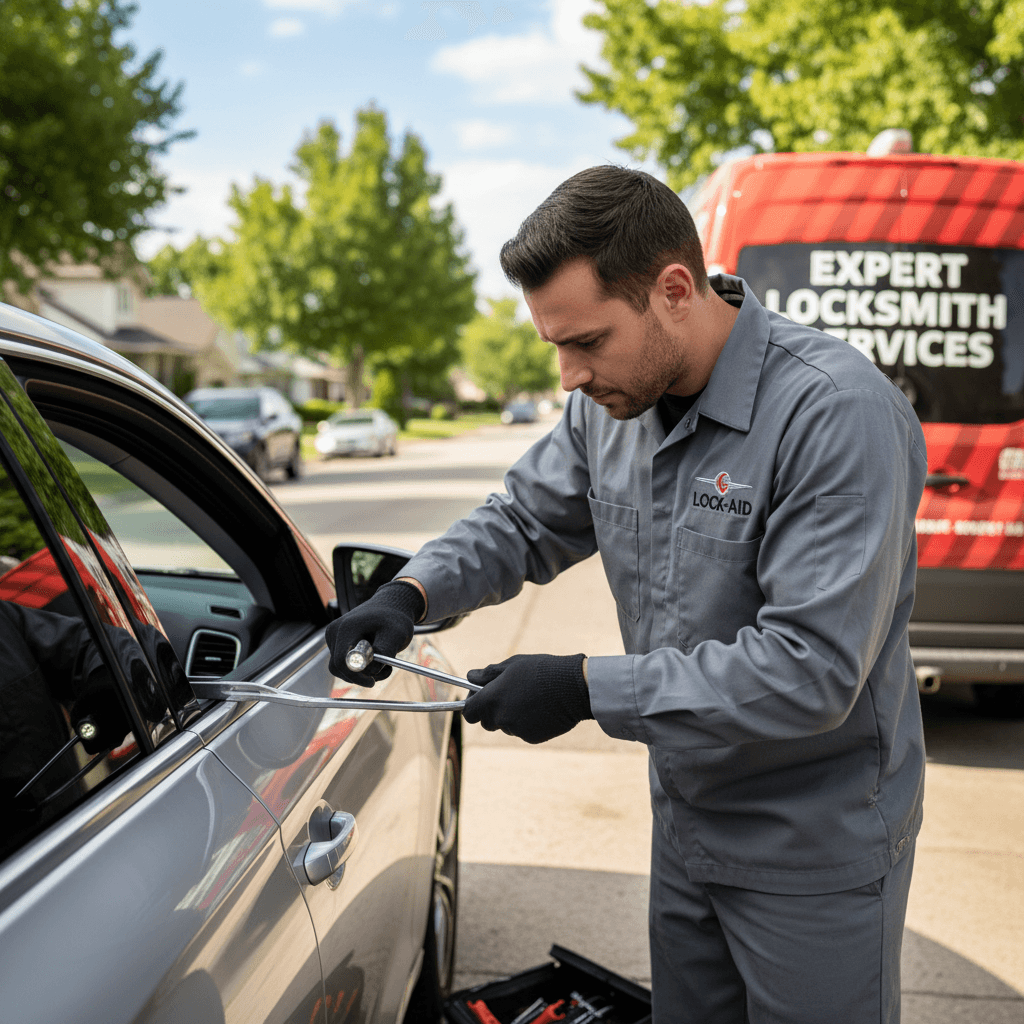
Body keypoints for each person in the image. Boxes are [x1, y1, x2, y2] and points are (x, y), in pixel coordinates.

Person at [326, 166, 928, 1023]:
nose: (569, 375)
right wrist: (412, 591)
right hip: (687, 825)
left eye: (589, 342)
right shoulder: (610, 407)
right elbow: (524, 519)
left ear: (673, 289)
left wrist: (582, 687)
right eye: (555, 346)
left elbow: (811, 670)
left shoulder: (833, 416)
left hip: (813, 848)